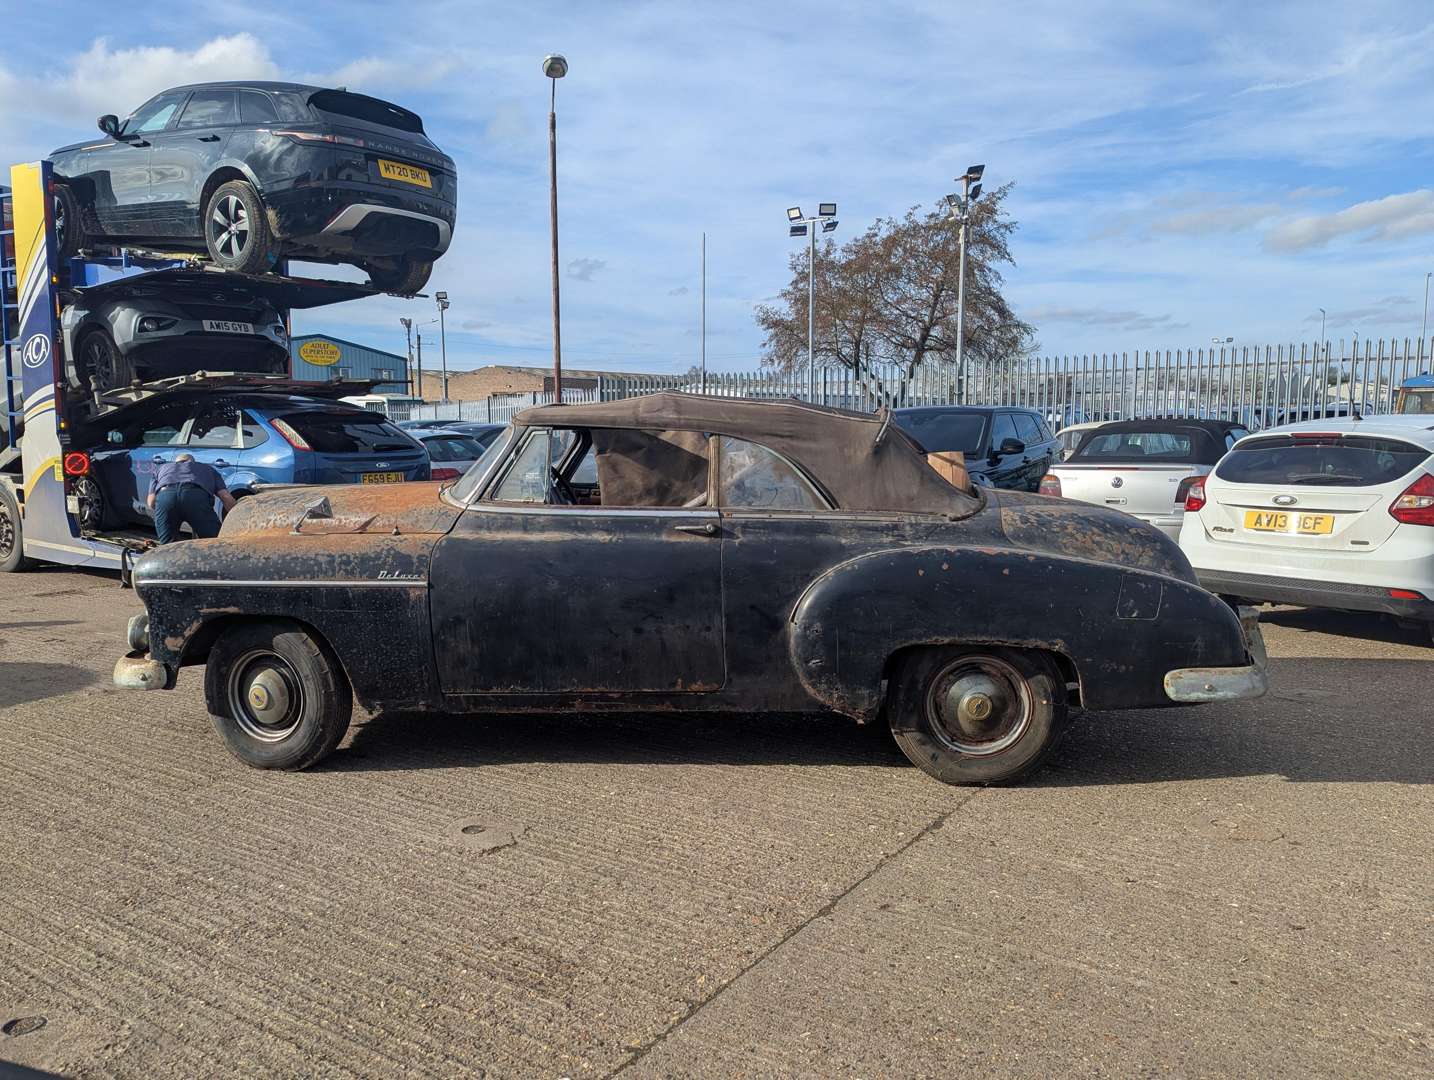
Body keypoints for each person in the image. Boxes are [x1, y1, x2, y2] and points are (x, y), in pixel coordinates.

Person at [146, 453, 237, 544]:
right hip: (196, 498)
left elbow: (151, 502)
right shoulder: (208, 469)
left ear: (175, 462)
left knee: (167, 547)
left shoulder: (161, 469)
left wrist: (165, 512)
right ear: (193, 462)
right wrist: (238, 517)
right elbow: (225, 496)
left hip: (165, 498)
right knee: (214, 542)